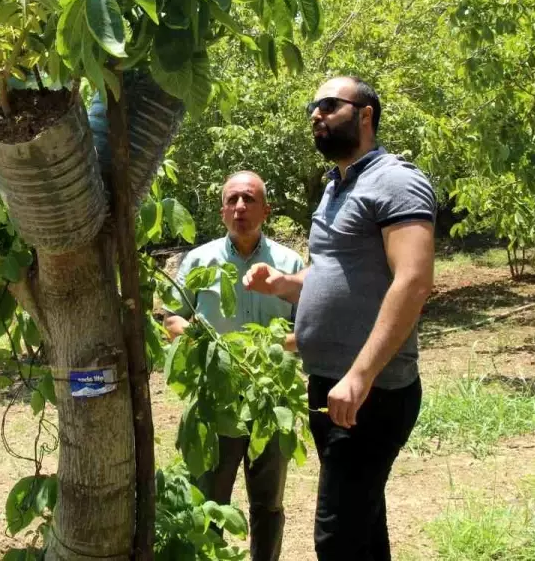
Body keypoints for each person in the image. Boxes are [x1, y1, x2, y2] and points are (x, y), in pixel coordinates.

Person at [244, 77, 436, 561]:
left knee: (337, 537)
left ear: (365, 115)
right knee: (364, 529)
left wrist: (360, 375)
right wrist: (281, 284)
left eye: (329, 106)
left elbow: (413, 281)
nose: (316, 115)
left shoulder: (395, 179)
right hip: (330, 383)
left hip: (371, 392)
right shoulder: (337, 186)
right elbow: (331, 274)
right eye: (314, 107)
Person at [165, 170, 304, 561]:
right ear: (222, 210)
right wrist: (199, 339)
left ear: (266, 210)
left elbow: (306, 330)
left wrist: (270, 347)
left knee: (268, 505)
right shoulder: (198, 260)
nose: (240, 207)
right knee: (209, 501)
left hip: (270, 401)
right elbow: (171, 319)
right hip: (215, 400)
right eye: (232, 200)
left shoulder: (290, 263)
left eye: (249, 199)